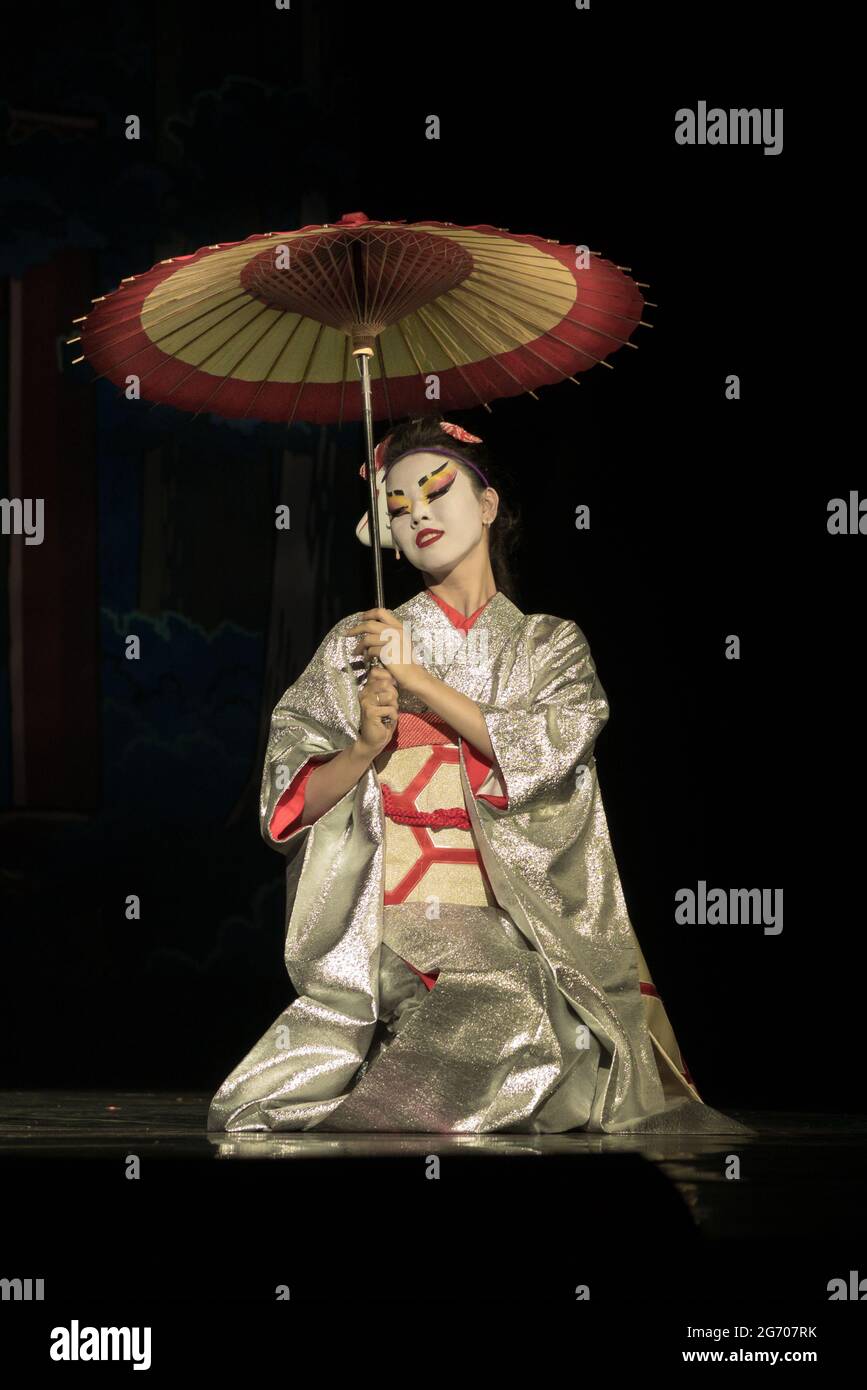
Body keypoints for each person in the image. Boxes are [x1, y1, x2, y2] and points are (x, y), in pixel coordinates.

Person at [207, 415, 752, 1135]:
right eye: (397, 507)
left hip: (507, 915)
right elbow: (287, 805)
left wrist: (418, 683)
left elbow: (545, 753)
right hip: (393, 910)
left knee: (575, 1050)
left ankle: (387, 1117)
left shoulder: (547, 644)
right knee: (508, 1001)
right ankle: (367, 1113)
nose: (419, 515)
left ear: (489, 504)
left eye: (435, 491)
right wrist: (366, 747)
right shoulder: (357, 643)